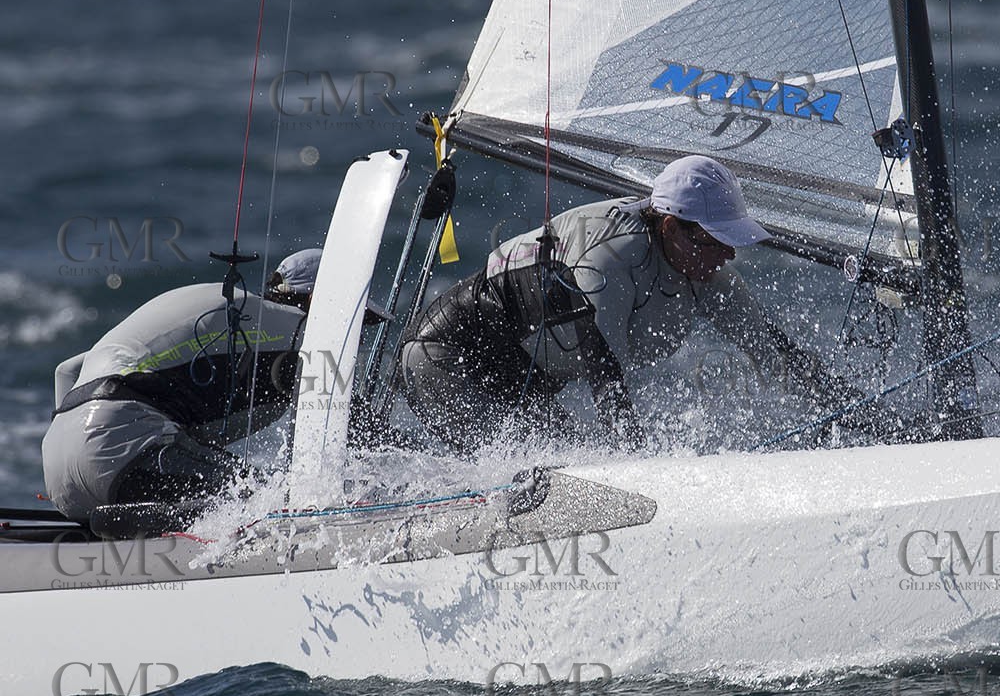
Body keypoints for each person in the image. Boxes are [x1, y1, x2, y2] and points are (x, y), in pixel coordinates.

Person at [400, 155, 894, 452]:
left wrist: (877, 424)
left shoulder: (708, 272)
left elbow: (780, 358)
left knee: (560, 465)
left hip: (524, 376)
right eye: (717, 240)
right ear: (671, 227)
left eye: (733, 241)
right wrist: (648, 480)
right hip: (449, 355)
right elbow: (607, 383)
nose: (728, 254)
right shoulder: (609, 258)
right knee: (546, 473)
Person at [40, 247, 342, 523]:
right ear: (318, 300)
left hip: (60, 477)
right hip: (121, 458)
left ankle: (118, 523)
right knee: (265, 499)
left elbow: (66, 370)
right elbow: (337, 430)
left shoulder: (237, 308)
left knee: (244, 488)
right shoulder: (301, 328)